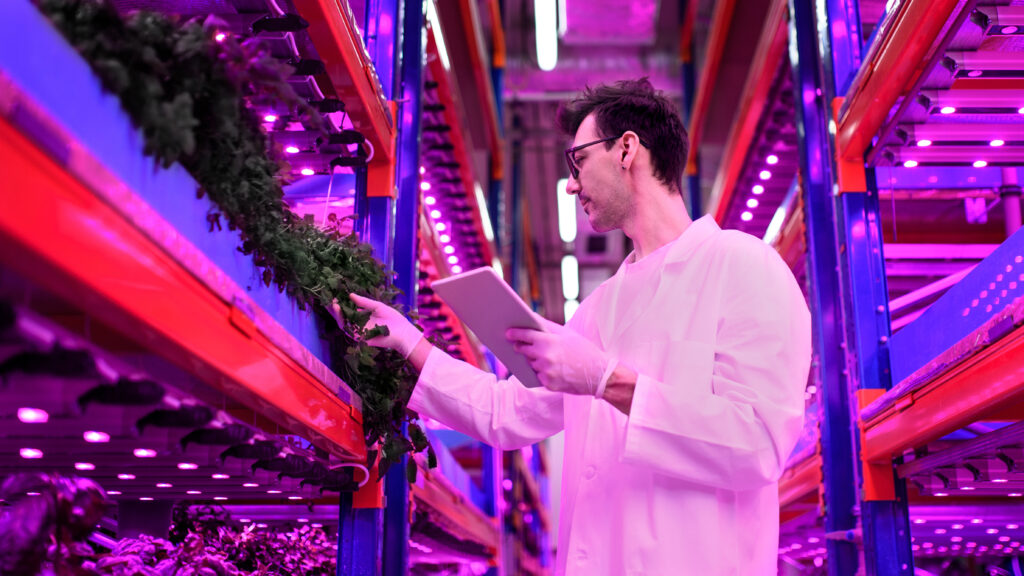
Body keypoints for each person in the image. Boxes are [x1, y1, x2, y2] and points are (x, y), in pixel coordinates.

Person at [332, 78, 811, 576]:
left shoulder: (743, 267)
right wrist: (410, 342)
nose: (571, 183)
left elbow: (758, 445)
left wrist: (608, 380)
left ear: (627, 149)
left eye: (578, 160)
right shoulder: (600, 308)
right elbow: (506, 412)